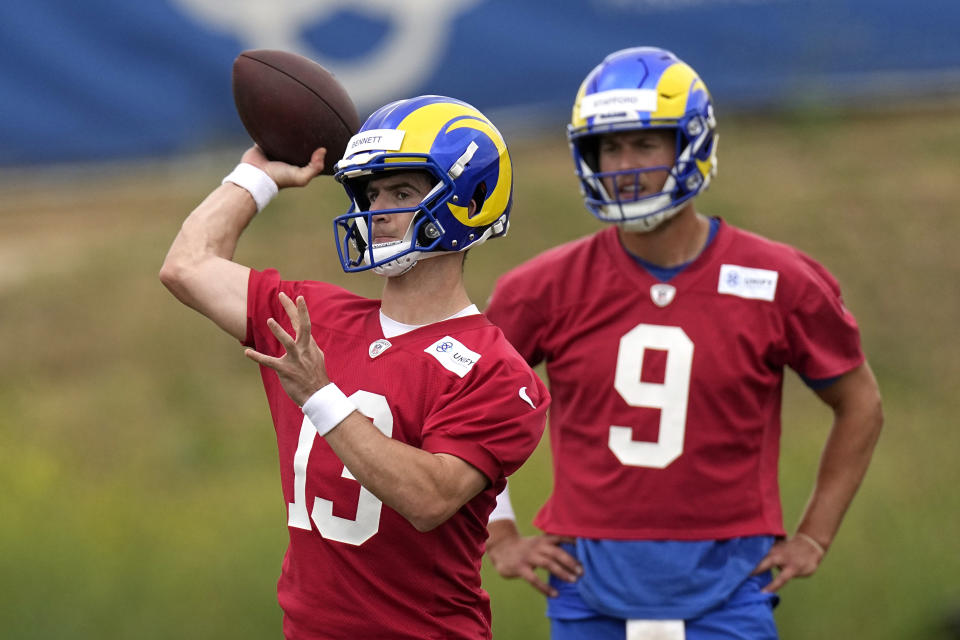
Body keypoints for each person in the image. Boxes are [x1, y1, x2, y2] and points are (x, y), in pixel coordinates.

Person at [483, 47, 884, 639]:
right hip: (588, 587)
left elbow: (861, 403)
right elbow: (465, 406)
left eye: (645, 144)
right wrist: (500, 533)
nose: (624, 164)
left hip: (730, 583)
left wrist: (813, 536)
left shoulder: (778, 280)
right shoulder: (541, 287)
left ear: (692, 143)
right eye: (609, 147)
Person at [159, 94, 549, 639]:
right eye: (372, 192)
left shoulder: (497, 372)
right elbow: (187, 265)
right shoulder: (314, 316)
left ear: (469, 200)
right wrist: (255, 177)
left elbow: (428, 498)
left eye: (403, 191)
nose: (378, 210)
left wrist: (321, 395)